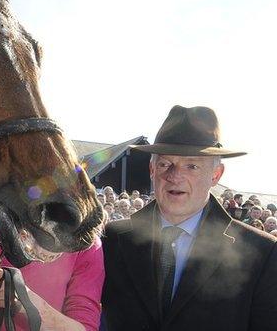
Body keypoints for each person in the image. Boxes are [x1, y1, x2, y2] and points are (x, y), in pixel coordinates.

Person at [101, 105, 277, 330]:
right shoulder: (113, 239)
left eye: (191, 166)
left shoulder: (261, 252)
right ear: (152, 170)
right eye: (165, 164)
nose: (175, 176)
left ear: (216, 175)